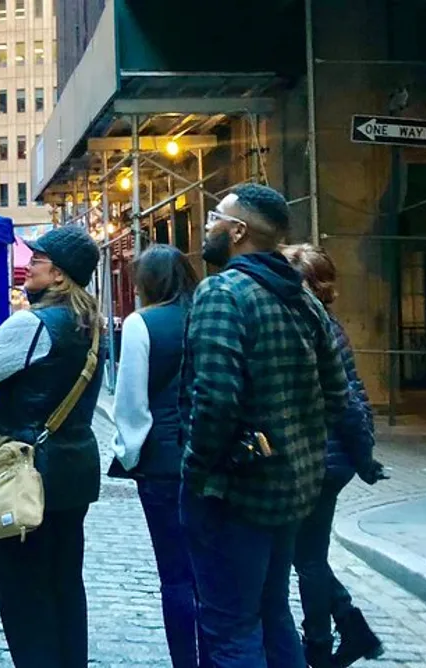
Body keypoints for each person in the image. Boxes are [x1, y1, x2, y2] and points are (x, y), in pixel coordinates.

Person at [179, 183, 351, 668]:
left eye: (215, 216)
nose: (208, 224)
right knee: (272, 610)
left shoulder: (223, 293)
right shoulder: (304, 298)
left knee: (230, 627)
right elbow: (338, 395)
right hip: (290, 492)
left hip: (232, 496)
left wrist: (196, 475)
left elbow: (213, 401)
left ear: (237, 231)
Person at [0, 225, 107, 668]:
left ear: (59, 276)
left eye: (37, 261)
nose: (28, 267)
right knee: (65, 583)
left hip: (28, 472)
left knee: (24, 590)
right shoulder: (91, 323)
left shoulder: (33, 323)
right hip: (74, 468)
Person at [282, 244, 386, 668]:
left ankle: (322, 647)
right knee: (307, 554)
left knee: (305, 557)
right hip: (332, 457)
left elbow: (348, 401)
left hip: (323, 459)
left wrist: (364, 459)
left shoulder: (314, 329)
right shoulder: (326, 325)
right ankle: (349, 627)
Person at [109, 244, 203, 668]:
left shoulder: (141, 323)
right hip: (212, 456)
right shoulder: (208, 315)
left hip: (164, 462)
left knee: (176, 574)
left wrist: (128, 453)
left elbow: (131, 400)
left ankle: (186, 660)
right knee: (212, 571)